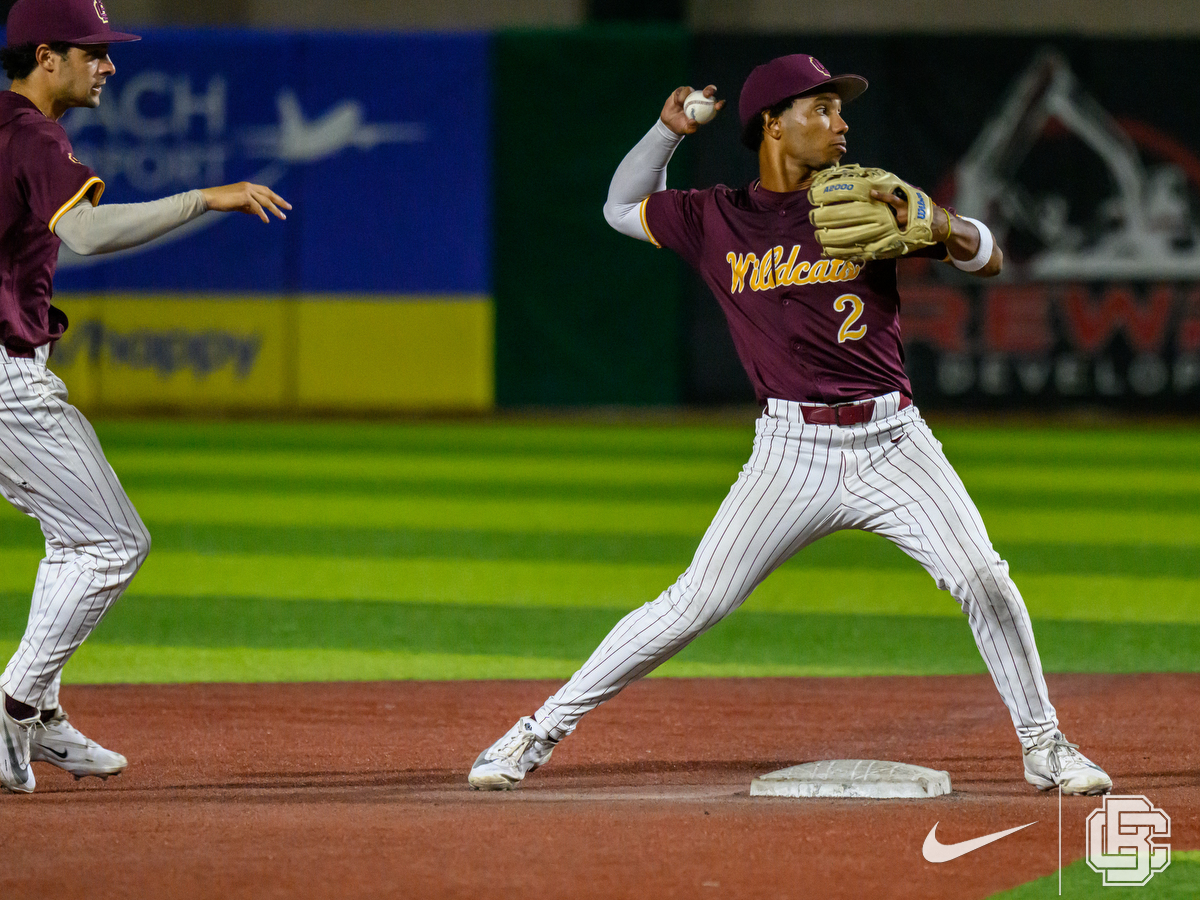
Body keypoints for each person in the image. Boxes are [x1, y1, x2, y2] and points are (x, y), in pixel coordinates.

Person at [468, 54, 1112, 796]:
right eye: (823, 110)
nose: (842, 124)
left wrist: (944, 224)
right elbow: (619, 207)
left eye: (842, 111)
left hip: (893, 443)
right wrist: (663, 133)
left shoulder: (871, 198)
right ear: (773, 124)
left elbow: (989, 258)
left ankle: (1046, 745)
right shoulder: (716, 217)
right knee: (693, 604)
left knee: (982, 578)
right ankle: (536, 732)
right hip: (790, 452)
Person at [0, 0, 289, 794]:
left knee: (72, 540)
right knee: (112, 543)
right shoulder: (30, 133)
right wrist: (208, 197)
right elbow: (86, 235)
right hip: (5, 380)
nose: (109, 64)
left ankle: (42, 713)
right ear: (47, 55)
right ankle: (15, 705)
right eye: (93, 51)